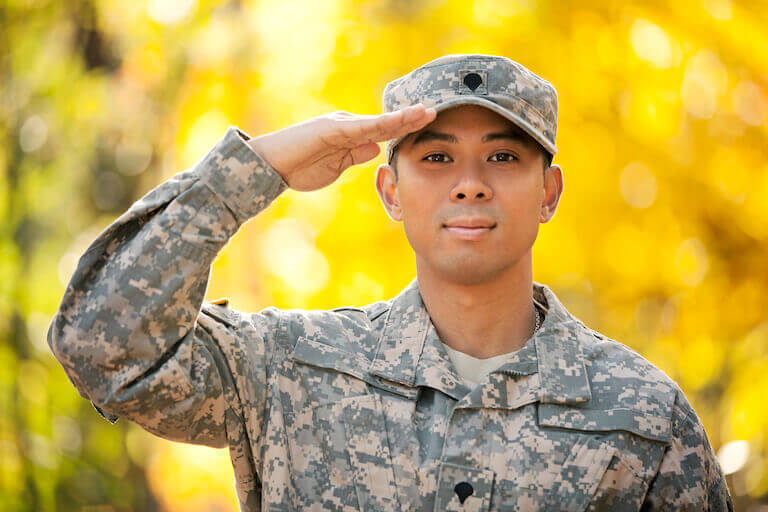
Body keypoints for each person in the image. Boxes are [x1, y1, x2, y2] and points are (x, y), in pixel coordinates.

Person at [48, 54, 733, 511]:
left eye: (503, 156)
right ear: (390, 191)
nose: (470, 184)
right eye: (436, 157)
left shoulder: (644, 418)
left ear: (549, 192)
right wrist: (261, 166)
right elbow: (102, 344)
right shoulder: (287, 372)